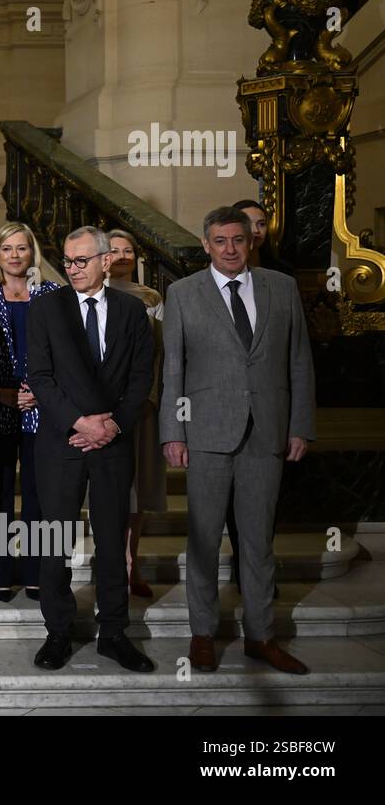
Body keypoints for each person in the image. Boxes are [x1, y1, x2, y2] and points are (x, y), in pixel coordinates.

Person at [161, 206, 315, 676]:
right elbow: (173, 369)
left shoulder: (281, 288)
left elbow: (299, 362)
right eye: (221, 241)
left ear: (251, 242)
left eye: (238, 240)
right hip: (206, 433)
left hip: (266, 432)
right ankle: (203, 634)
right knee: (204, 540)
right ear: (206, 245)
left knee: (258, 543)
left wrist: (300, 425)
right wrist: (173, 431)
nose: (231, 249)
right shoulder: (183, 293)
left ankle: (261, 636)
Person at [27, 225, 155, 674]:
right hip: (61, 441)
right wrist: (80, 422)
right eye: (67, 260)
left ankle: (114, 633)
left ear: (106, 261)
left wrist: (114, 424)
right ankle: (58, 632)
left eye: (82, 260)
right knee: (56, 538)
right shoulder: (46, 308)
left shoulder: (132, 310)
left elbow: (142, 378)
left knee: (112, 538)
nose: (73, 268)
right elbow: (40, 377)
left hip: (114, 443)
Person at [0, 222, 60, 603]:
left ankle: (39, 572)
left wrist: (39, 392)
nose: (15, 256)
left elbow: (63, 353)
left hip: (43, 406)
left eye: (22, 248)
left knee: (41, 494)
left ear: (32, 253)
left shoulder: (52, 294)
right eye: (7, 249)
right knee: (0, 491)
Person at [229, 198, 290, 601]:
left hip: (270, 415)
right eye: (247, 224)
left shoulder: (283, 281)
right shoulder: (202, 286)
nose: (255, 231)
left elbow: (296, 355)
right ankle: (240, 568)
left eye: (261, 223)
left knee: (265, 508)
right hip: (222, 418)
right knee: (232, 507)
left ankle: (260, 577)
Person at [105, 229, 166, 600]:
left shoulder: (152, 298)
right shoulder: (90, 293)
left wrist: (151, 397)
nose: (123, 256)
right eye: (115, 250)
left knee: (138, 490)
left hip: (142, 406)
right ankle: (110, 561)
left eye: (129, 250)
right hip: (105, 409)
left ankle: (132, 561)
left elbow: (161, 353)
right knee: (111, 492)